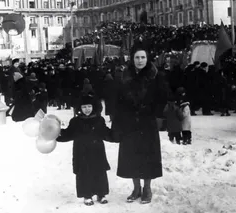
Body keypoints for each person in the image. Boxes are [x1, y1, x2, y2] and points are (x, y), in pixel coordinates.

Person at [112, 42, 166, 204]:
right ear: (132, 59)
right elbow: (118, 100)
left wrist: (157, 117)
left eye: (143, 57)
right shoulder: (124, 76)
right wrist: (118, 120)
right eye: (137, 57)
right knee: (131, 156)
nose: (140, 60)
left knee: (148, 156)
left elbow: (162, 98)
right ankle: (136, 188)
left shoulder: (156, 75)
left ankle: (147, 188)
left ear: (148, 58)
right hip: (129, 123)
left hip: (147, 122)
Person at [56, 94, 112, 206]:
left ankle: (101, 194)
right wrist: (57, 134)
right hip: (81, 152)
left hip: (97, 152)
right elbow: (68, 134)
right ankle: (87, 195)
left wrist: (116, 136)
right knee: (84, 174)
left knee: (99, 172)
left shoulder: (99, 120)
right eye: (84, 107)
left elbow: (106, 133)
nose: (87, 109)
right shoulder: (75, 121)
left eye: (89, 106)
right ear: (79, 108)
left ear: (94, 107)